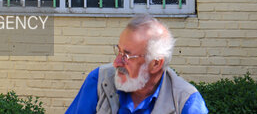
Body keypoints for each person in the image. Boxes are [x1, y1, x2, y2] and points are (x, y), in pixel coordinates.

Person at [66, 15, 208, 113]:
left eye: (127, 56)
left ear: (155, 64)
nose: (116, 63)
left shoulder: (185, 100)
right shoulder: (100, 80)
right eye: (118, 51)